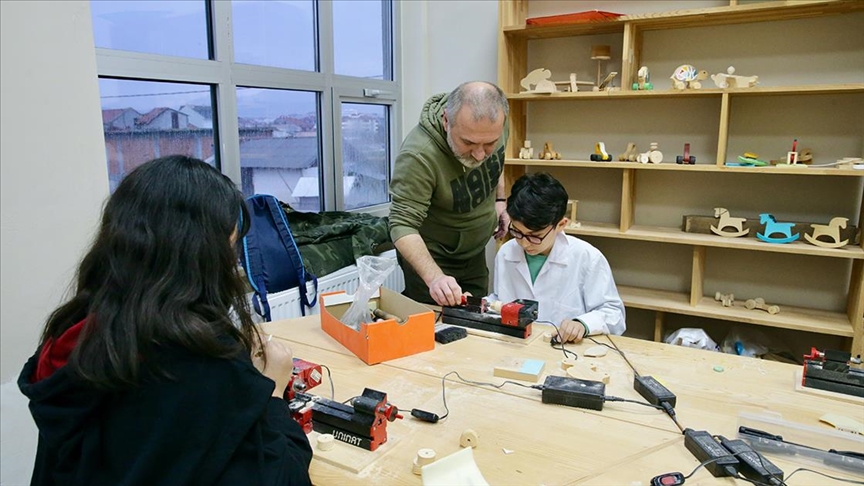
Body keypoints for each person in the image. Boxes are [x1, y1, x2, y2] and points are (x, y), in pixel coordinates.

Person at [18, 155, 313, 485]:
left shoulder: (77, 331)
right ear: (200, 255)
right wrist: (272, 390)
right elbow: (282, 478)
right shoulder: (200, 363)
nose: (231, 265)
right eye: (229, 249)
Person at [389, 81, 510, 306]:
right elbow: (401, 225)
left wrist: (500, 200)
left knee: (475, 326)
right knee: (434, 332)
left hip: (474, 253)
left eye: (489, 143)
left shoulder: (496, 123)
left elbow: (497, 159)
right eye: (468, 143)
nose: (479, 154)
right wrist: (435, 278)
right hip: (432, 258)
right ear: (446, 121)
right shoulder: (418, 156)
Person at [488, 172, 626, 343]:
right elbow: (500, 300)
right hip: (517, 345)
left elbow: (614, 314)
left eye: (534, 236)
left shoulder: (587, 258)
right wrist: (477, 304)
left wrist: (583, 324)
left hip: (564, 350)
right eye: (517, 232)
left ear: (561, 224)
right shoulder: (506, 253)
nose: (524, 243)